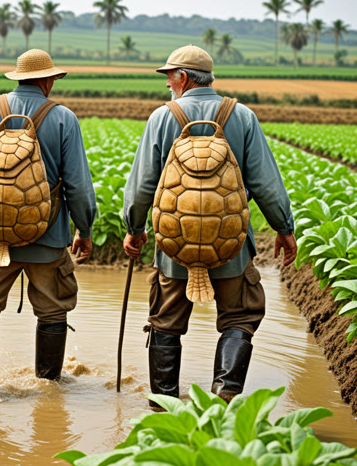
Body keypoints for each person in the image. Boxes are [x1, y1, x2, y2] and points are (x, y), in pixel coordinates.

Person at [123, 45, 297, 405]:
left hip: (175, 248)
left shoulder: (162, 117)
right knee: (240, 317)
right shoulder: (242, 116)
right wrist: (284, 228)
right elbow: (266, 183)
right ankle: (225, 392)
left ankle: (164, 403)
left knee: (166, 322)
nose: (168, 83)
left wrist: (134, 229)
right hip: (230, 245)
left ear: (184, 78)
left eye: (170, 76)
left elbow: (142, 186)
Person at [0, 49, 97, 397]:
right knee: (53, 310)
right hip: (48, 238)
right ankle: (48, 386)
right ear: (48, 79)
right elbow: (79, 186)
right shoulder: (63, 118)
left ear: (18, 77)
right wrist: (84, 230)